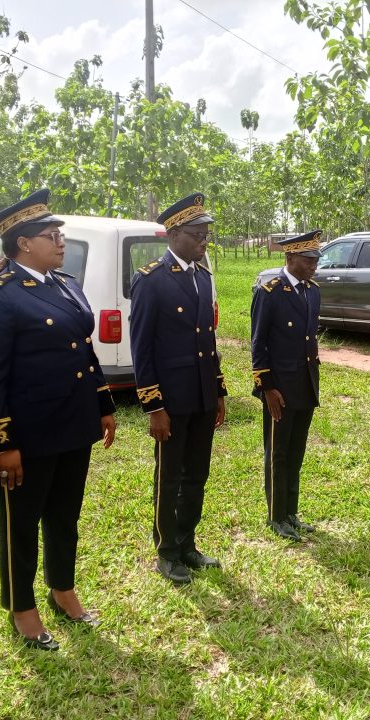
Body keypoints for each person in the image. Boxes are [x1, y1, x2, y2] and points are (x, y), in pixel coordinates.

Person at [0, 189, 117, 651]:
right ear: (23, 244)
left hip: (72, 424)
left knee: (64, 514)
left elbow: (83, 351)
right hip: (26, 434)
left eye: (60, 234)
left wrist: (104, 405)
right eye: (51, 235)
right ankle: (21, 606)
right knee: (20, 521)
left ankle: (62, 588)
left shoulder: (65, 283)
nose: (61, 241)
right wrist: (1, 442)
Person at [130, 191, 227, 585]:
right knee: (169, 476)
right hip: (171, 398)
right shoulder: (151, 280)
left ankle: (187, 542)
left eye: (206, 234)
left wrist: (218, 392)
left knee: (197, 474)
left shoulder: (203, 276)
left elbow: (209, 342)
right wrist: (154, 406)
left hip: (202, 394)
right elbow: (142, 348)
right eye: (196, 234)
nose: (204, 241)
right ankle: (166, 551)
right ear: (173, 235)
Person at [251, 230, 323, 542]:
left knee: (296, 450)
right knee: (277, 452)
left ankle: (291, 511)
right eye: (308, 259)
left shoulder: (312, 290)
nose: (313, 265)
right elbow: (258, 344)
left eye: (316, 259)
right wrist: (267, 388)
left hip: (305, 383)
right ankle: (276, 515)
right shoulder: (270, 292)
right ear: (289, 257)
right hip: (279, 388)